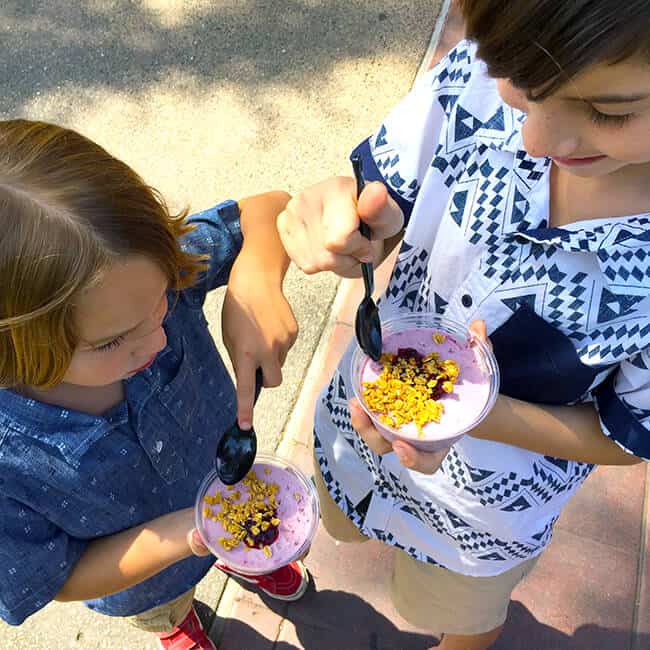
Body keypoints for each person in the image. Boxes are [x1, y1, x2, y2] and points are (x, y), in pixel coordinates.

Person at [277, 1, 650, 648]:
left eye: (609, 112)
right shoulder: (481, 76)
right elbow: (393, 192)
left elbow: (631, 433)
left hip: (488, 513)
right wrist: (357, 222)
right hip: (358, 427)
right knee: (347, 516)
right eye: (522, 87)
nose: (534, 141)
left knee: (460, 614)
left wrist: (475, 411)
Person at [0, 119, 305, 650]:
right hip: (144, 581)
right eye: (112, 343)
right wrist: (189, 533)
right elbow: (56, 577)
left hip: (237, 486)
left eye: (163, 297)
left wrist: (254, 278)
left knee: (254, 535)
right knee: (164, 607)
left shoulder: (139, 274)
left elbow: (267, 210)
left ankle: (249, 559)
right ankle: (176, 624)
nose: (157, 340)